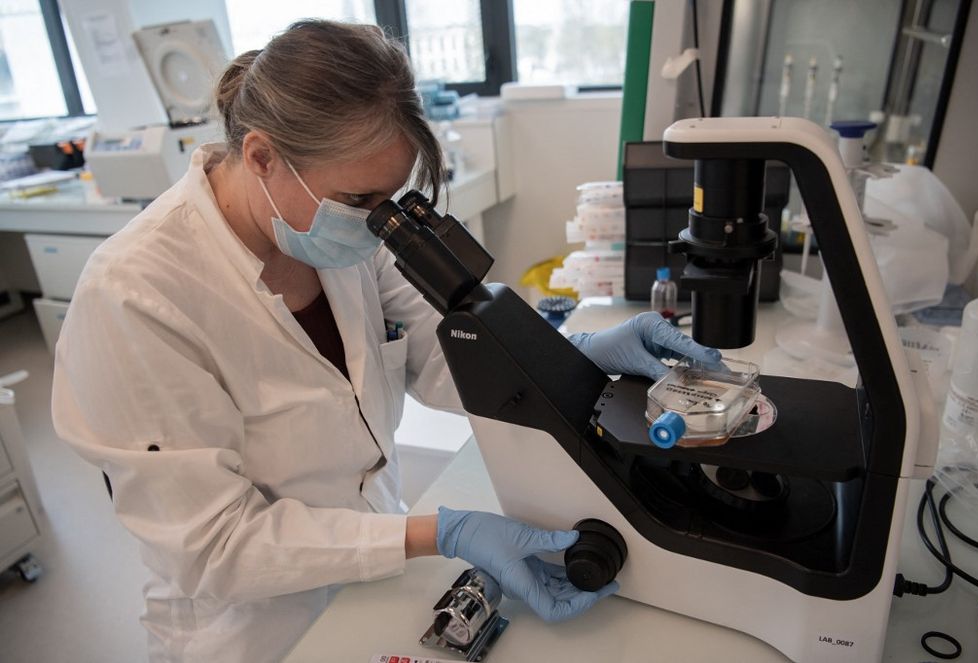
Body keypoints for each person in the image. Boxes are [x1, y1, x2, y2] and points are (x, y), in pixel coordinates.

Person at [52, 20, 720, 662]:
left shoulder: (336, 232)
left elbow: (445, 360)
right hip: (253, 631)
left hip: (374, 577)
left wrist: (574, 355)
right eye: (361, 197)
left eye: (390, 199)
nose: (379, 222)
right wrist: (443, 530)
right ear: (261, 156)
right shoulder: (136, 294)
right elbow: (215, 546)